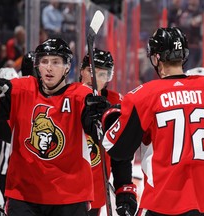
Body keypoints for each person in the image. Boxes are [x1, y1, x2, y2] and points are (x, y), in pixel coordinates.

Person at [0, 38, 95, 216]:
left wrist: (102, 116)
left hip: (70, 196)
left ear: (67, 67)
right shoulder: (21, 90)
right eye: (44, 61)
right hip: (24, 195)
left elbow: (99, 131)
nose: (49, 68)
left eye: (56, 62)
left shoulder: (81, 96)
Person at [102, 27, 204, 215]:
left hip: (164, 202)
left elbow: (116, 148)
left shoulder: (144, 96)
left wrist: (108, 116)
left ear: (156, 58)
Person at [80, 48, 137, 216]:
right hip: (61, 189)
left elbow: (122, 152)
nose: (95, 79)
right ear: (81, 70)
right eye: (91, 71)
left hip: (95, 190)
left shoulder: (115, 102)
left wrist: (123, 188)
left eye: (103, 74)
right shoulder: (66, 97)